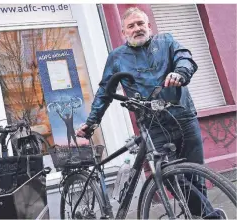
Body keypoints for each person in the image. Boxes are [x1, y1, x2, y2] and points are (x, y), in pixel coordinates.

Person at [76, 7, 226, 219]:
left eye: (140, 24)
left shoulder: (166, 42)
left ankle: (201, 215)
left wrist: (181, 72)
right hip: (153, 126)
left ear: (149, 26)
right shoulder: (117, 57)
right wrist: (92, 123)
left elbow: (185, 57)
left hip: (183, 117)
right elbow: (104, 92)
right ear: (123, 32)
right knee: (170, 177)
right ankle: (210, 216)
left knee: (196, 177)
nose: (137, 28)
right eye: (131, 26)